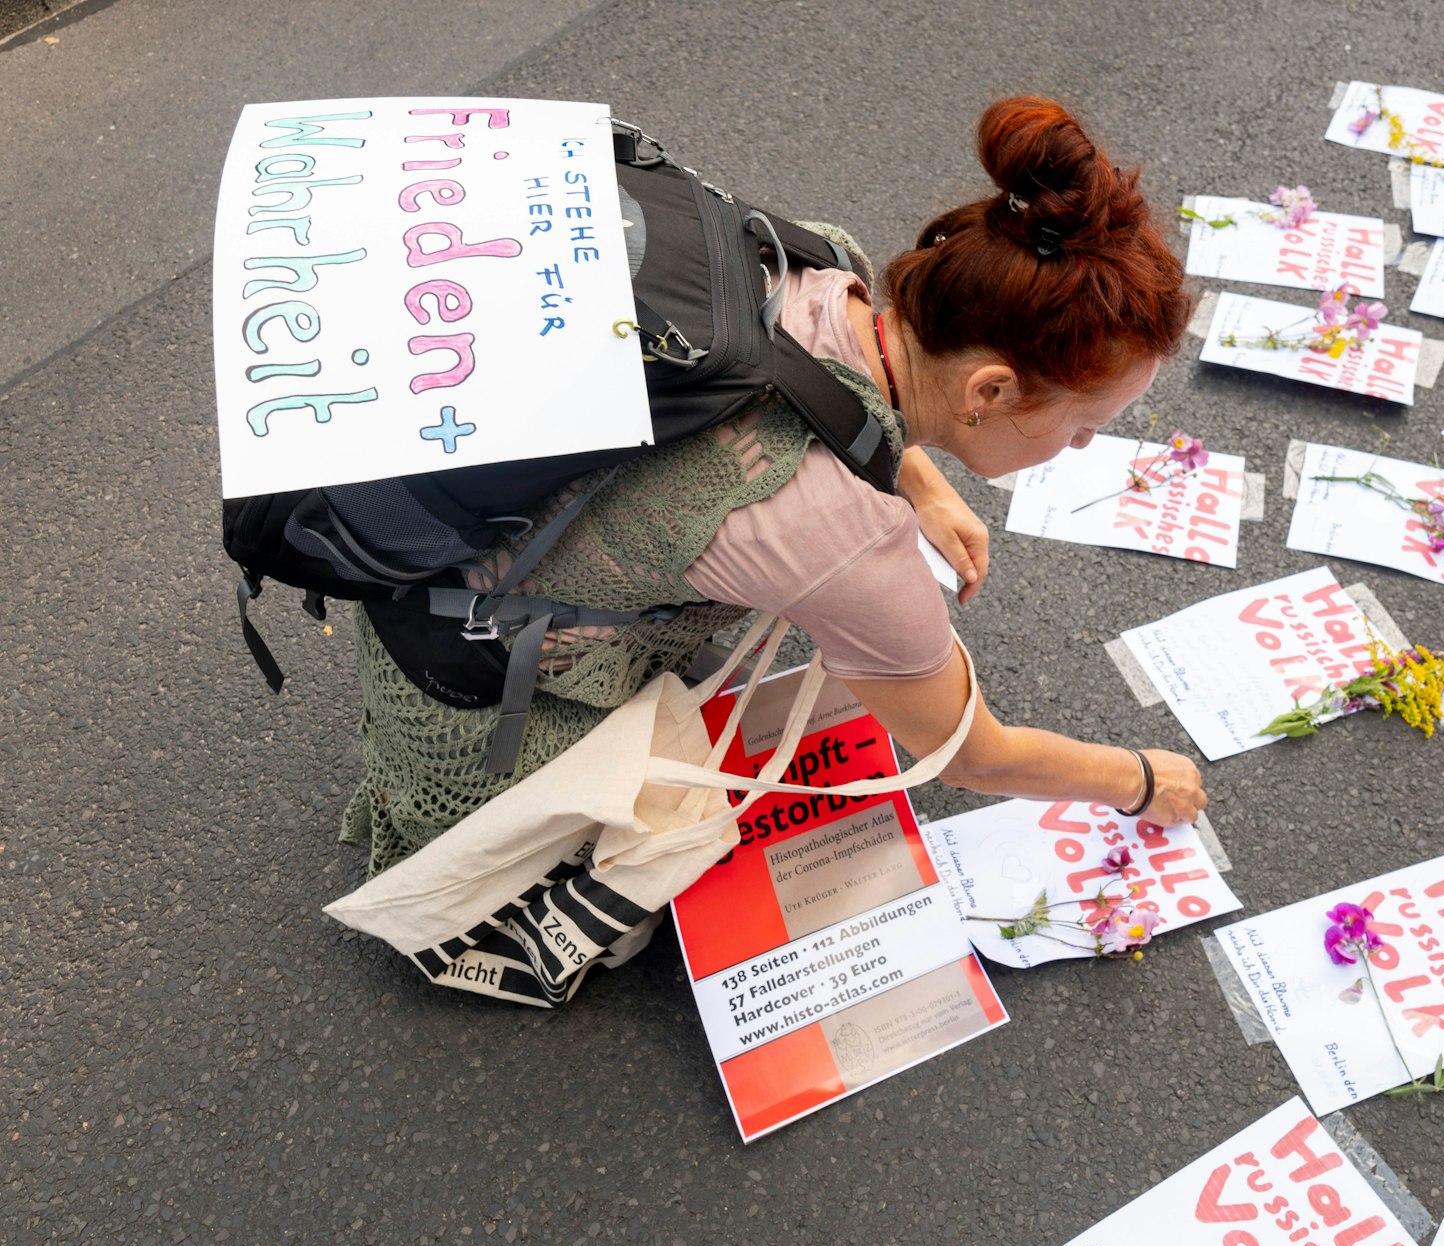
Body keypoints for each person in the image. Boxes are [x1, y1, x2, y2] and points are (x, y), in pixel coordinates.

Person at [341, 95, 1209, 877]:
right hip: (468, 675)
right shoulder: (847, 542)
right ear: (989, 390)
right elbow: (976, 752)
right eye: (1083, 422)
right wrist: (1136, 778)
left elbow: (820, 390)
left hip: (453, 526)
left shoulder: (822, 262)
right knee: (630, 875)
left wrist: (928, 490)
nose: (1081, 444)